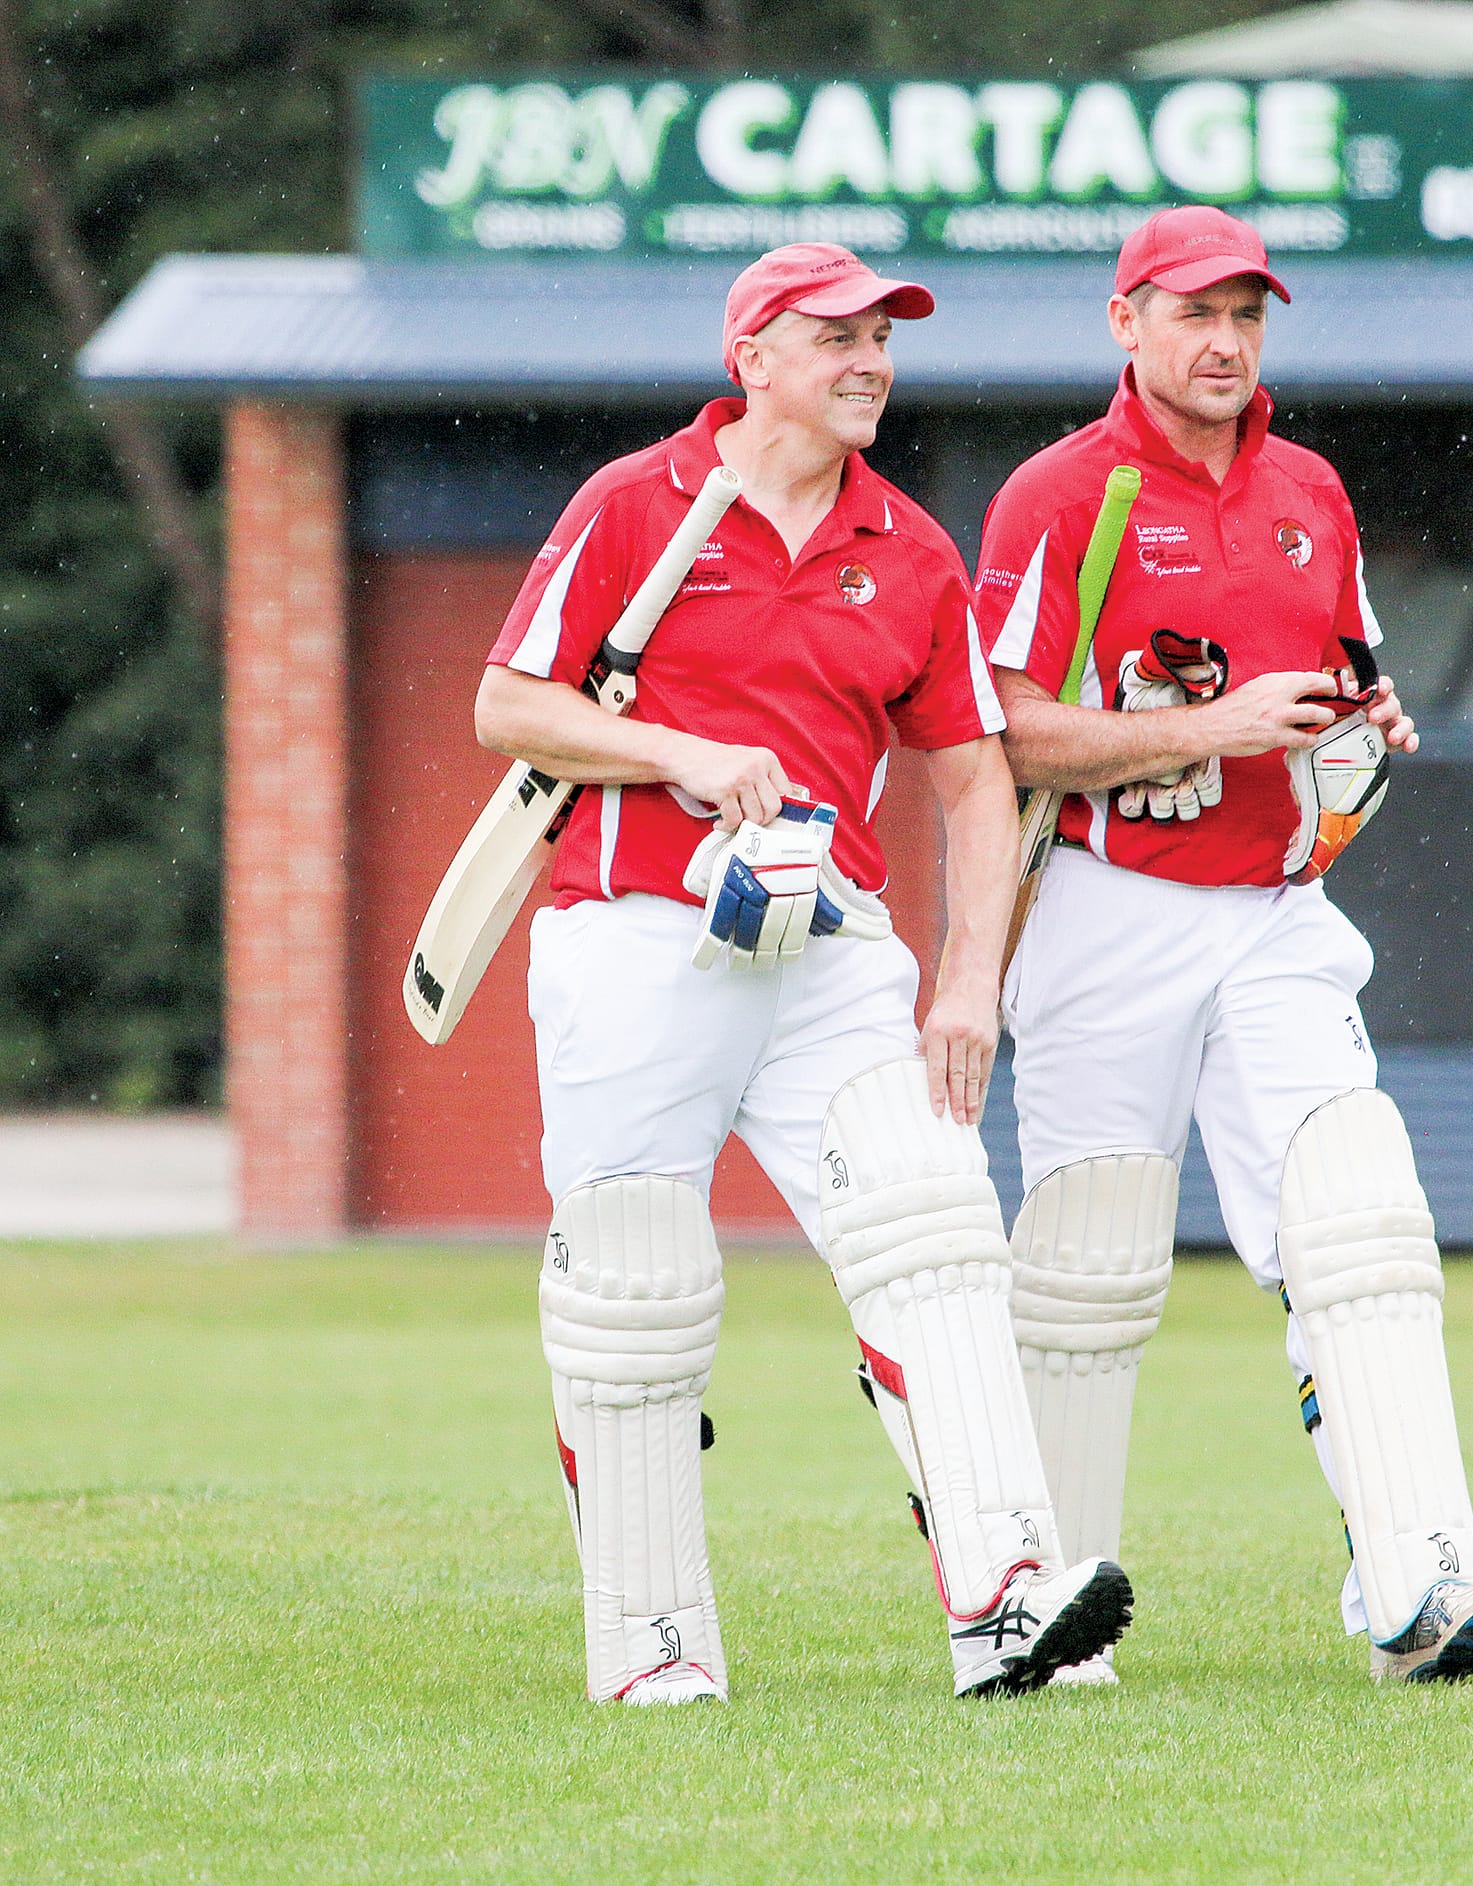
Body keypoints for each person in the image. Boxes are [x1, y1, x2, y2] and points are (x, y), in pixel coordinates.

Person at [473, 243, 1131, 1706]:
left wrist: (968, 983)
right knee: (635, 1289)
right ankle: (651, 1642)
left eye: (883, 340)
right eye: (836, 337)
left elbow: (971, 781)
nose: (871, 362)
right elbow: (506, 702)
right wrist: (682, 753)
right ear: (752, 354)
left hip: (830, 944)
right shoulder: (634, 505)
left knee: (938, 1229)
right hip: (634, 931)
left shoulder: (911, 544)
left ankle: (1009, 1593)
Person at [973, 206, 1473, 1685]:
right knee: (1086, 1265)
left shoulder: (1310, 490)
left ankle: (1419, 1580)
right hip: (1106, 900)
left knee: (1358, 1213)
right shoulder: (1059, 494)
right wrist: (1205, 729)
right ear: (1126, 322)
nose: (1223, 341)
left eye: (1247, 314)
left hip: (1277, 908)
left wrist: (1370, 725)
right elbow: (1003, 729)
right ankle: (1041, 1609)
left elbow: (1343, 678)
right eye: (1193, 312)